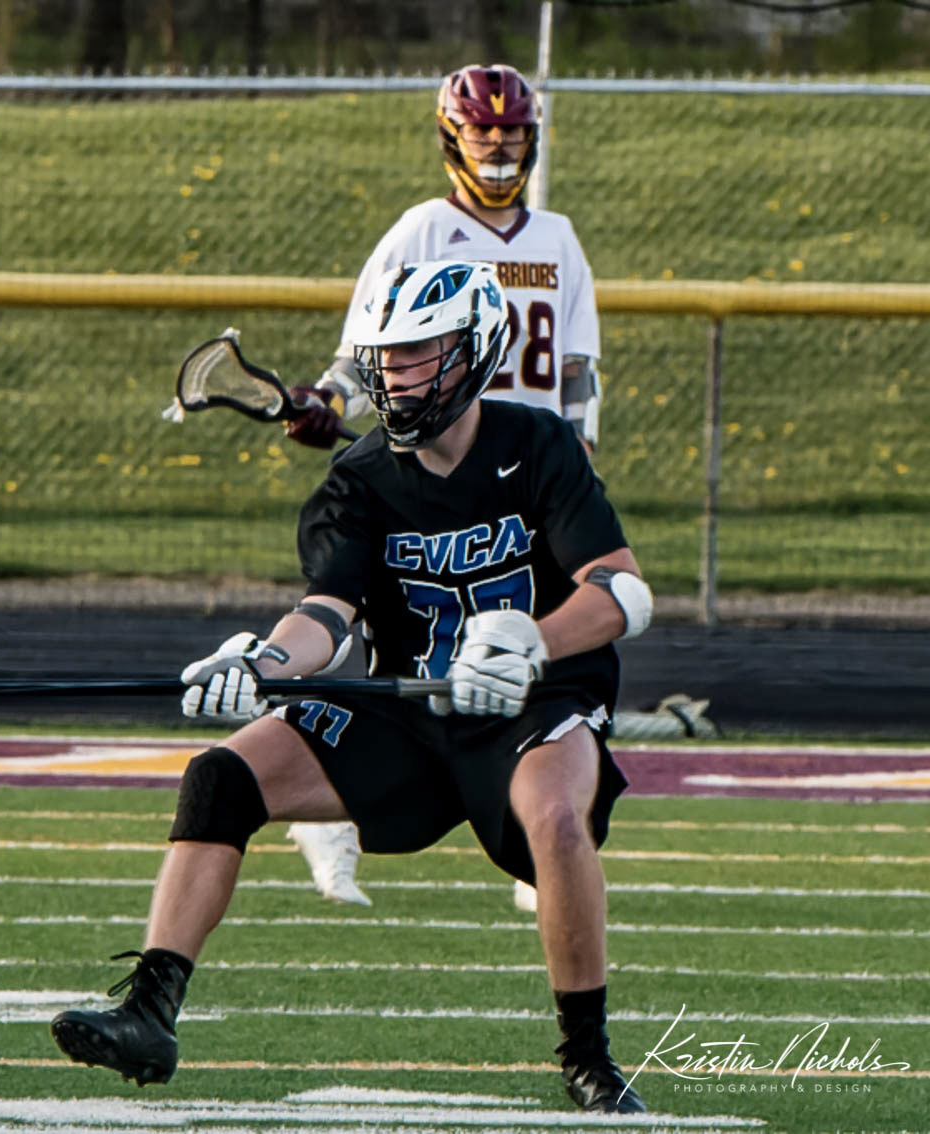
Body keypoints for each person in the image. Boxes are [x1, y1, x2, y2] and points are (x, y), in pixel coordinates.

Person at [50, 260, 650, 1116]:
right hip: (410, 706)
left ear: (475, 349)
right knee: (220, 776)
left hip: (532, 700)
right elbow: (325, 616)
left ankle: (588, 1057)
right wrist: (260, 663)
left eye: (417, 353)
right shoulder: (360, 477)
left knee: (555, 820)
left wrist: (534, 642)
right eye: (386, 357)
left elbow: (623, 592)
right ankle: (150, 1011)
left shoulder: (537, 444)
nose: (396, 375)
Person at [282, 63, 707, 908]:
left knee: (555, 639)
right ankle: (331, 796)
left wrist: (580, 454)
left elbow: (578, 366)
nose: (499, 145)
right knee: (395, 619)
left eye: (511, 131)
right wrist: (328, 399)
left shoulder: (558, 237)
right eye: (483, 130)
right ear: (454, 137)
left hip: (531, 471)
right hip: (433, 456)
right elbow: (368, 349)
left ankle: (543, 833)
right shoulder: (422, 229)